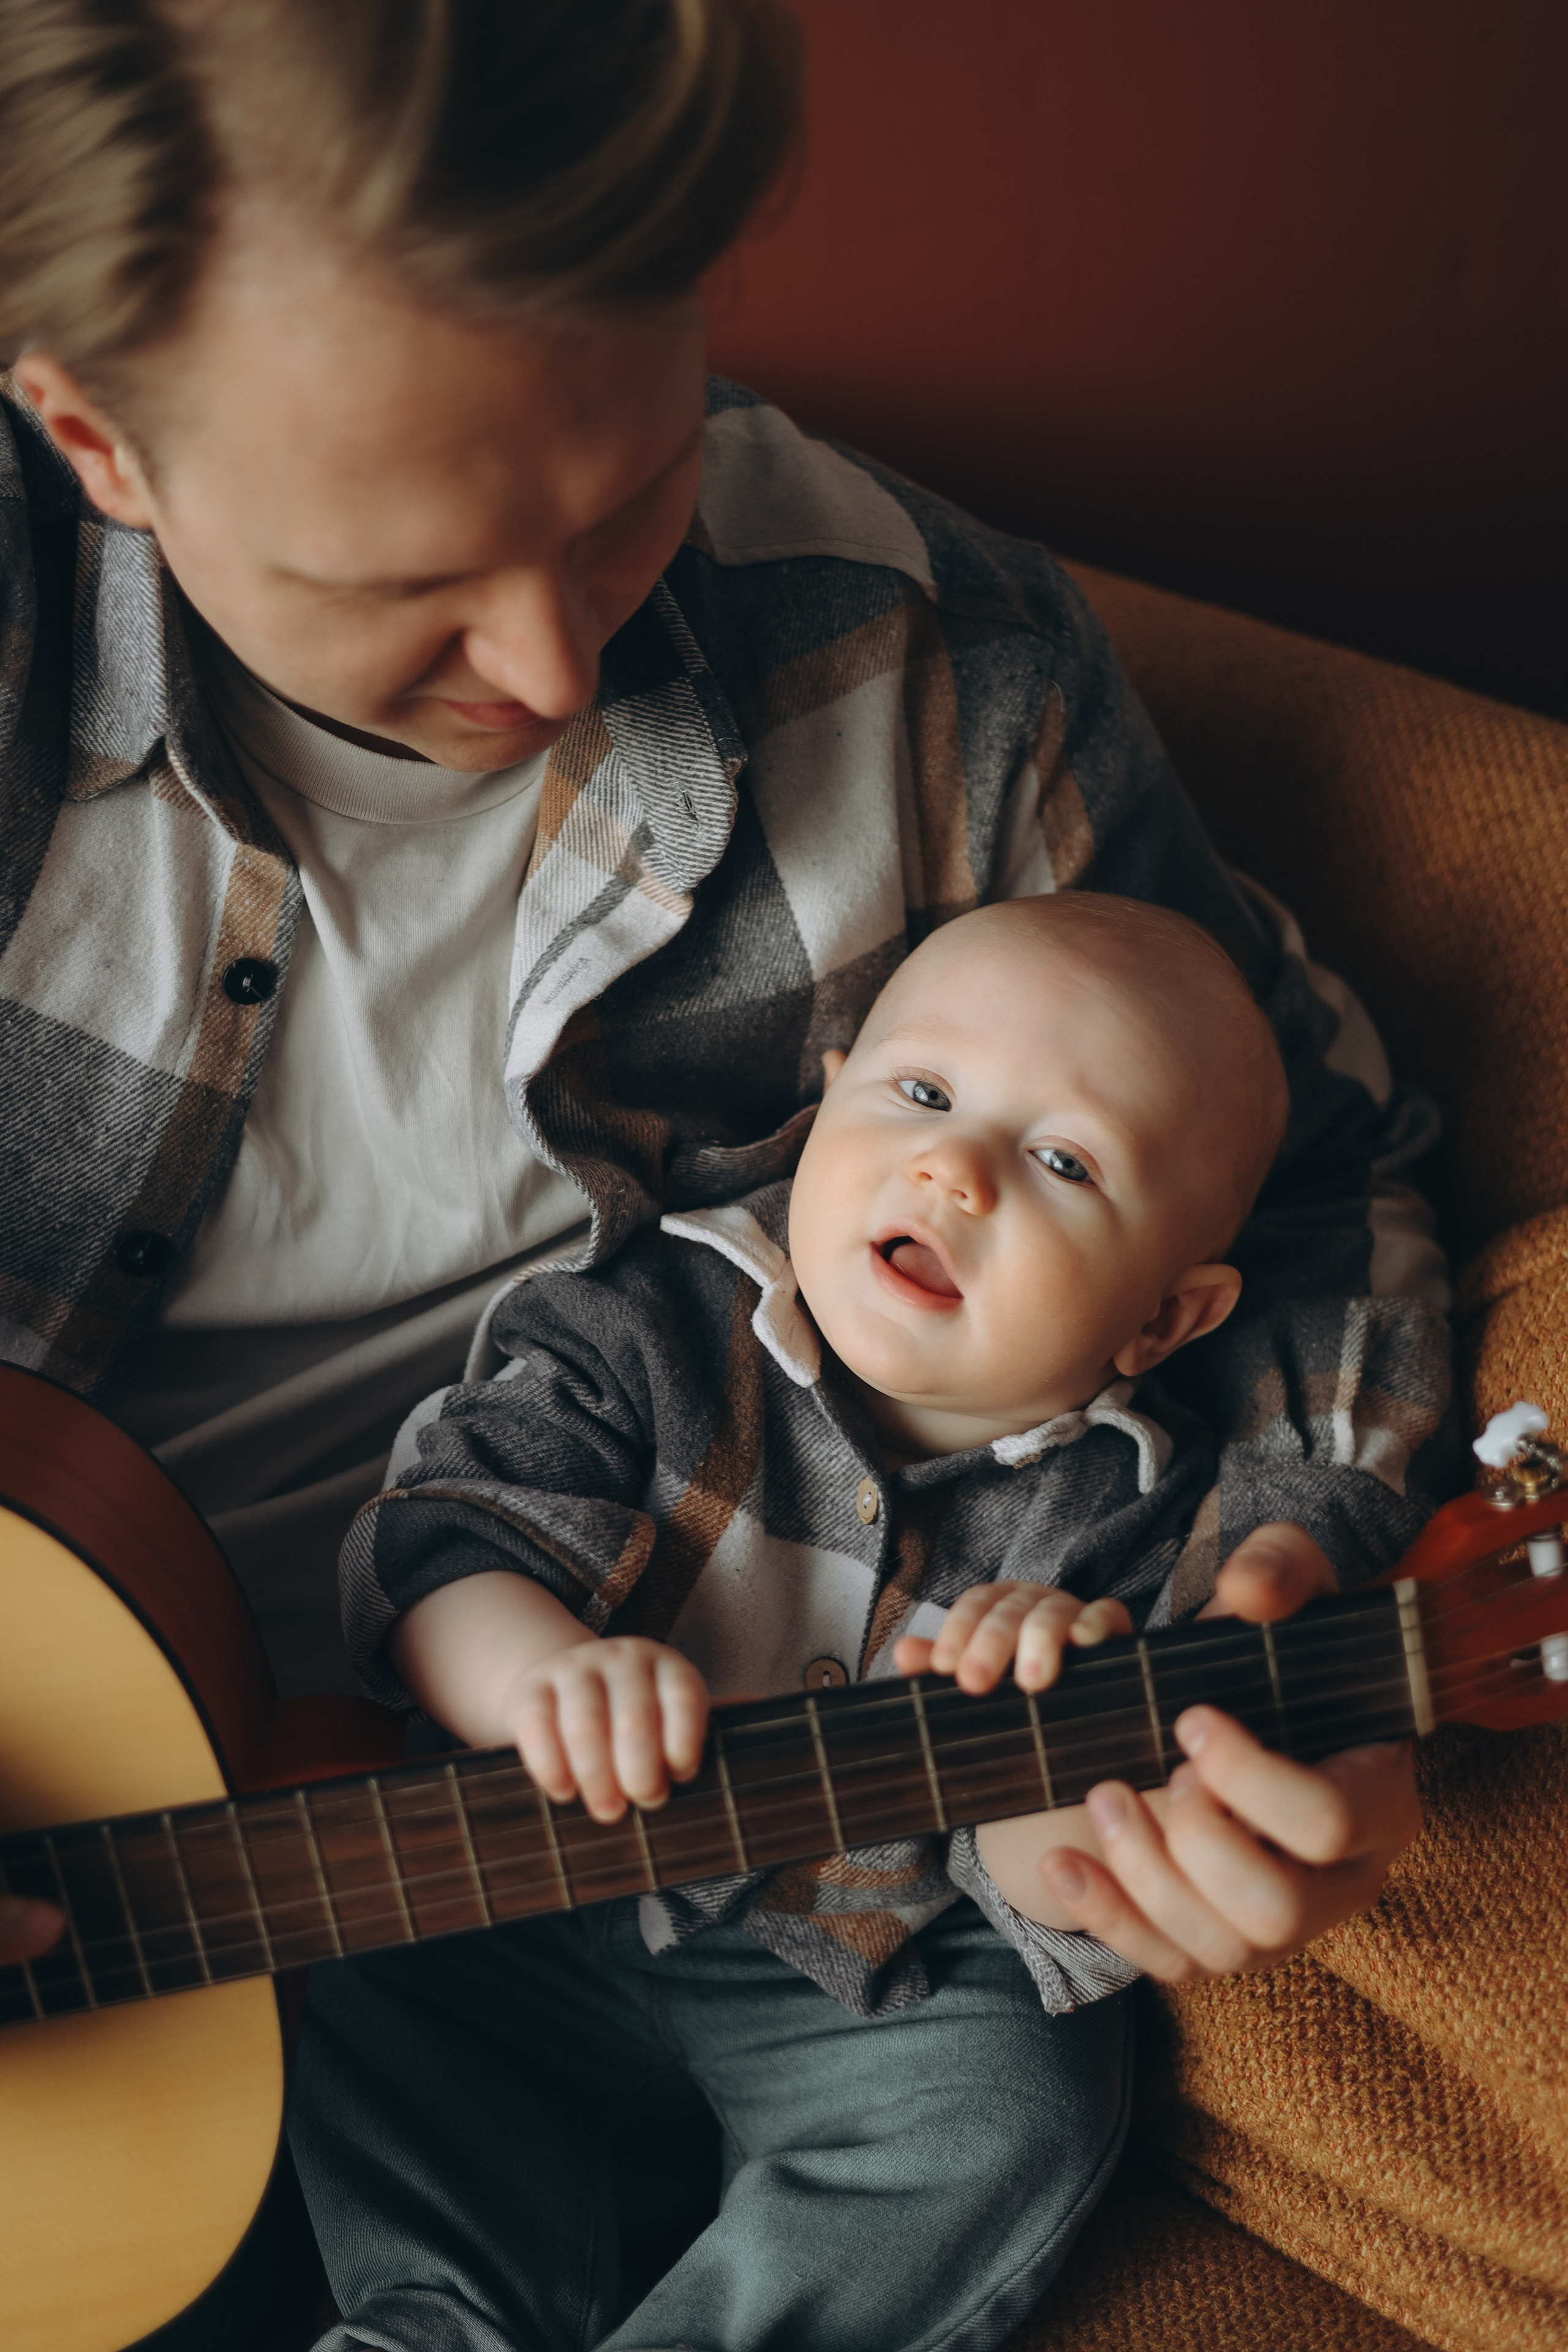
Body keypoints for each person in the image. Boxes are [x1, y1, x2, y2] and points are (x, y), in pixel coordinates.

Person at [0, 0, 1438, 2103]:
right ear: (94, 438)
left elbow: (1313, 1189)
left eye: (626, 494)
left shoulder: (951, 677)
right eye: (403, 576)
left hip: (529, 1882)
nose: (557, 660)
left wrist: (1298, 1594)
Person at [294, 894, 1419, 2351]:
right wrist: (538, 1676)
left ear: (1161, 1320)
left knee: (1019, 2103)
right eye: (923, 1093)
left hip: (861, 1966)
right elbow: (441, 1532)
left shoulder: (1137, 1524)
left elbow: (1056, 1897)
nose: (954, 1170)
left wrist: (1039, 1753)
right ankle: (430, 2320)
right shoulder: (648, 1316)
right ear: (826, 1109)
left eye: (1064, 1162)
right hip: (539, 1892)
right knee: (366, 1948)